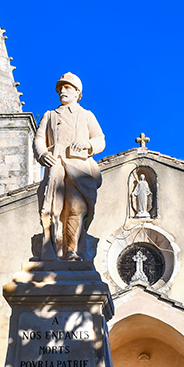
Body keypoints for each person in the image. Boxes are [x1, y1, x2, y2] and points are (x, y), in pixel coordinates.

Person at [34, 73, 105, 260]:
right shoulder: (49, 116)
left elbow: (100, 140)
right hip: (56, 167)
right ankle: (54, 249)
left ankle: (72, 250)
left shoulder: (86, 115)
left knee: (76, 207)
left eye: (67, 87)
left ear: (77, 92)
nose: (62, 91)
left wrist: (87, 144)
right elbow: (39, 139)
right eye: (60, 88)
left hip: (79, 168)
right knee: (53, 209)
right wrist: (42, 154)